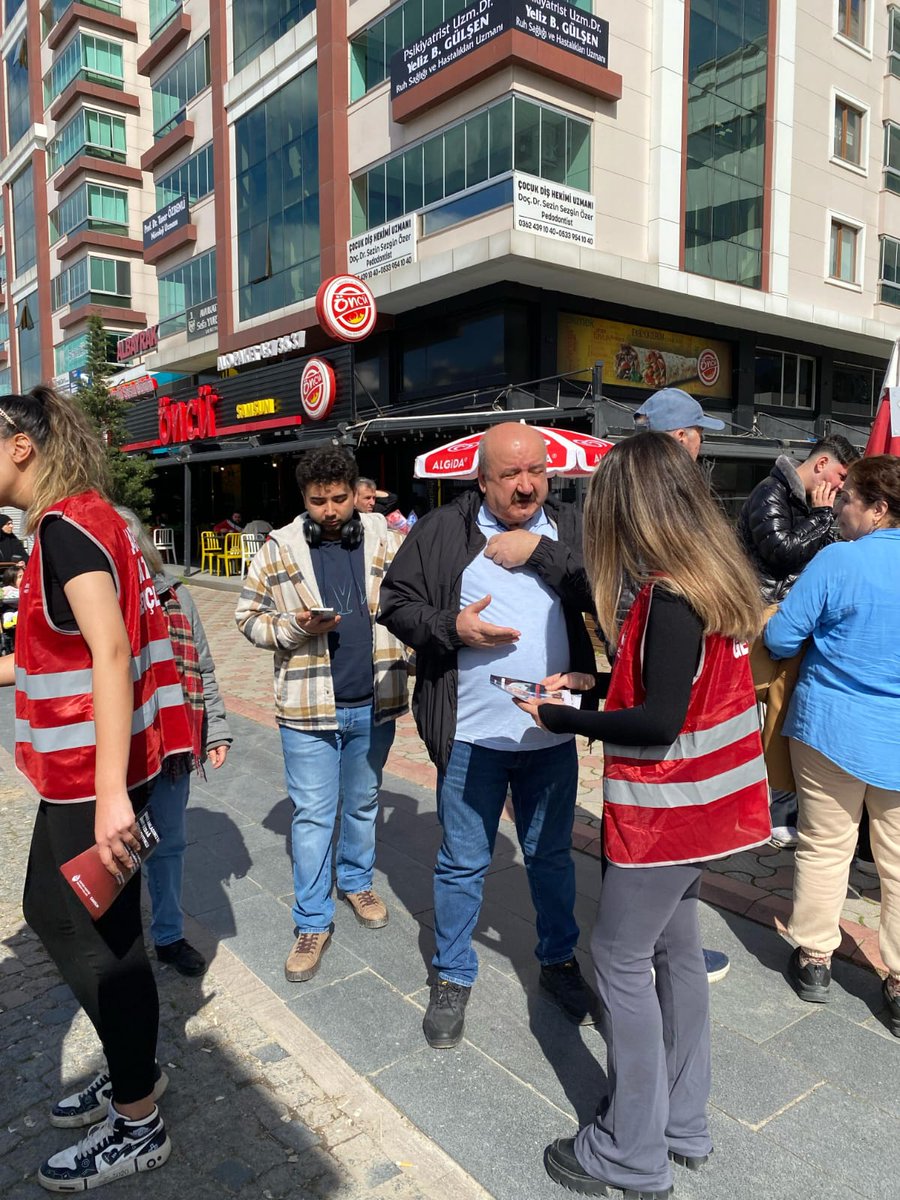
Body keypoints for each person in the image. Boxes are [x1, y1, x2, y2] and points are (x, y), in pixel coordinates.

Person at [515, 432, 769, 1198]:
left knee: (619, 959)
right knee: (678, 953)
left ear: (636, 508)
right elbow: (670, 686)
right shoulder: (709, 580)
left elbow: (657, 721)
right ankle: (680, 1120)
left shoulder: (666, 596)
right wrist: (589, 684)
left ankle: (630, 1150)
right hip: (705, 809)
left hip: (663, 816)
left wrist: (563, 719)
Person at [0, 385, 193, 1191]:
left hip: (93, 780)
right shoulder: (95, 516)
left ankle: (137, 1116)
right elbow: (74, 650)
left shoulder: (65, 530)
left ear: (20, 447)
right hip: (96, 772)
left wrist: (111, 793)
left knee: (104, 946)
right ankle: (132, 1068)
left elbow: (111, 652)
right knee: (57, 914)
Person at [378, 422, 602, 1049]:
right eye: (510, 475)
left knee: (551, 857)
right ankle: (452, 974)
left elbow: (605, 594)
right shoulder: (441, 530)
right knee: (462, 862)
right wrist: (453, 628)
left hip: (551, 734)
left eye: (537, 471)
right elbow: (395, 603)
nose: (527, 485)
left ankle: (558, 961)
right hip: (471, 737)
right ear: (482, 480)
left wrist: (540, 552)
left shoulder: (570, 525)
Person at [235, 448, 408, 983]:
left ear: (355, 493)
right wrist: (295, 628)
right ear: (303, 499)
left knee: (363, 802)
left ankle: (356, 882)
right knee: (312, 816)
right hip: (307, 707)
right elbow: (247, 617)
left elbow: (413, 600)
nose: (330, 511)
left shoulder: (386, 538)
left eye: (338, 499)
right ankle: (312, 921)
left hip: (375, 700)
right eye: (318, 501)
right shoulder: (279, 547)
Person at [763, 455, 900, 1031]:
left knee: (825, 845)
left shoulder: (838, 560)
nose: (837, 506)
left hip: (831, 727)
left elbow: (779, 635)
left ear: (878, 509)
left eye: (847, 498)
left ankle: (816, 958)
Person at [631, 388, 733, 984]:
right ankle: (649, 948)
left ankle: (669, 943)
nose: (700, 445)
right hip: (664, 673)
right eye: (697, 434)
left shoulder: (647, 496)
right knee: (659, 813)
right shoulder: (665, 502)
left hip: (662, 666)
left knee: (664, 821)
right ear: (678, 439)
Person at [117, 508, 232, 978]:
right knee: (114, 847)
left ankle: (168, 936)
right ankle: (116, 942)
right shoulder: (93, 599)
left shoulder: (175, 595)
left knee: (168, 843)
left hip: (172, 744)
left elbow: (202, 665)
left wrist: (216, 728)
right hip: (114, 746)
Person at [737, 433, 859, 848]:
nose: (840, 486)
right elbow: (781, 551)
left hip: (789, 618)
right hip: (758, 616)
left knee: (780, 712)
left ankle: (777, 809)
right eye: (840, 476)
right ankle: (760, 807)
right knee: (753, 708)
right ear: (821, 464)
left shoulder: (806, 502)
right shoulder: (770, 491)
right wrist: (823, 517)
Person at [633, 386, 726, 455]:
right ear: (681, 436)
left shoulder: (628, 469)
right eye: (700, 436)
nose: (700, 444)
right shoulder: (677, 475)